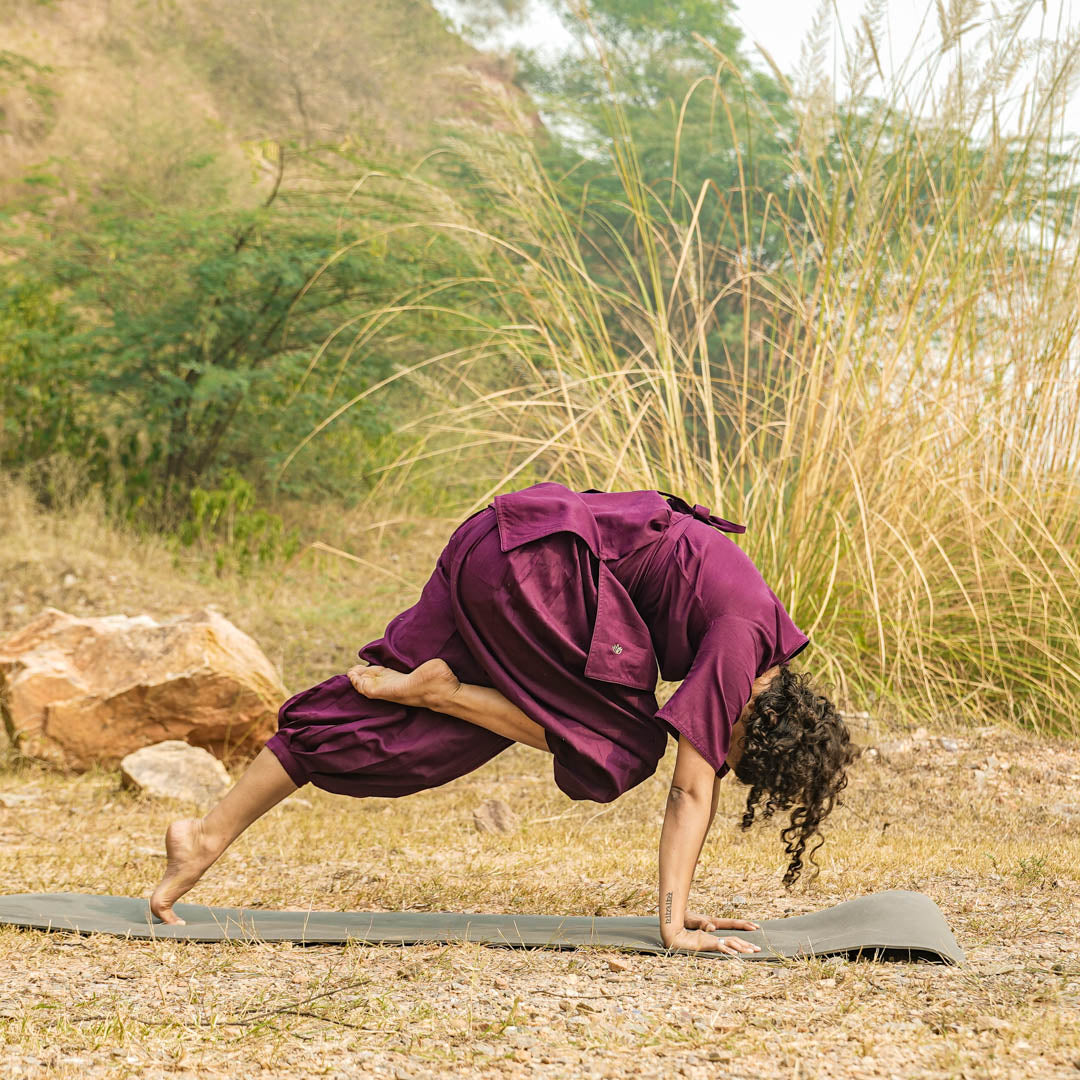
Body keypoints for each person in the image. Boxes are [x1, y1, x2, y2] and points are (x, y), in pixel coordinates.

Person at [150, 482, 856, 953]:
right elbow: (689, 787)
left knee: (414, 744)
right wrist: (674, 922)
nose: (721, 757)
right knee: (624, 747)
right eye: (736, 756)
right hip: (536, 567)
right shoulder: (741, 642)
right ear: (757, 726)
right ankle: (442, 691)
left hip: (496, 546)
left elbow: (699, 769)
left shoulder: (758, 626)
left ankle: (204, 836)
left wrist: (680, 901)